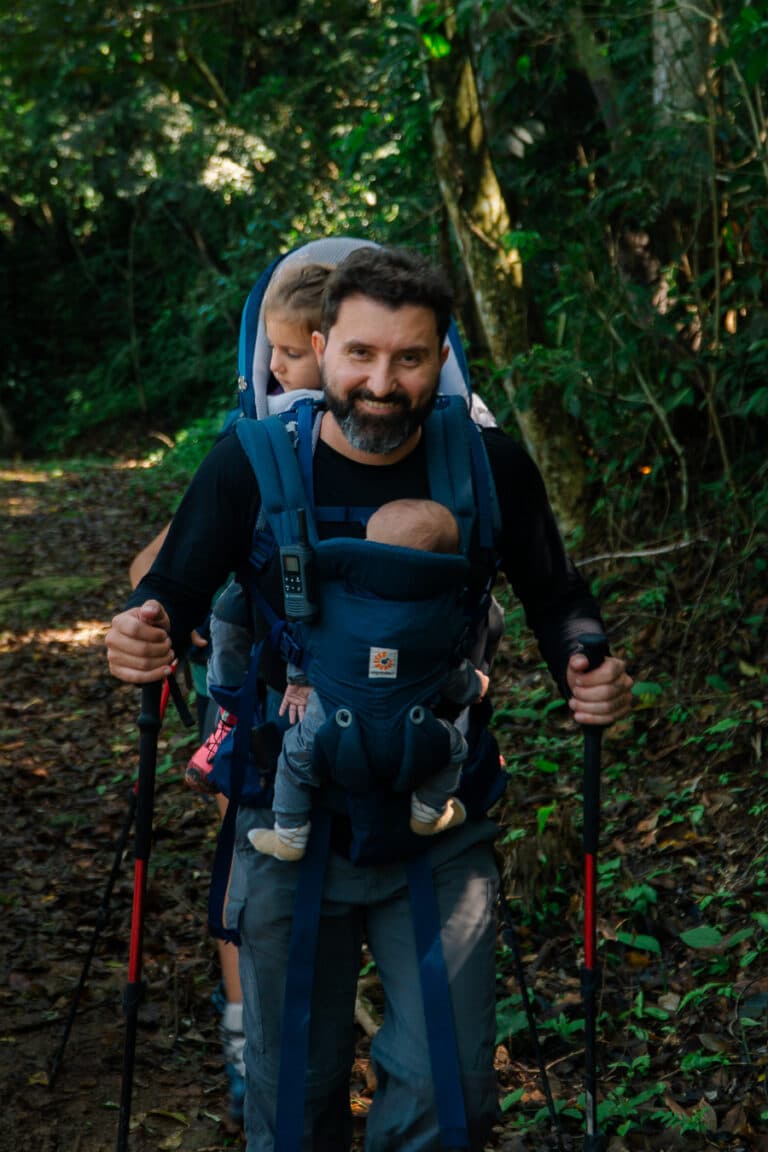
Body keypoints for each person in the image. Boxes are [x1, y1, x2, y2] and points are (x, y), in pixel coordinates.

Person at [106, 245, 633, 1151]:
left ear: (442, 360)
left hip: (441, 822)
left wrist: (588, 660)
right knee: (291, 1101)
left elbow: (558, 600)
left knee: (448, 1096)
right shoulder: (252, 464)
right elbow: (168, 599)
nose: (383, 382)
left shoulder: (489, 467)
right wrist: (136, 633)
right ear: (321, 347)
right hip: (287, 815)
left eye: (410, 358)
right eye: (361, 355)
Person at [249, 497, 489, 862]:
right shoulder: (444, 617)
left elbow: (304, 642)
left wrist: (298, 680)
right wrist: (476, 687)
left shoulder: (335, 596)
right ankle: (429, 811)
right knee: (455, 748)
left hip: (329, 724)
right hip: (410, 736)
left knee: (293, 759)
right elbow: (452, 674)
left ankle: (290, 834)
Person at [184, 261, 331, 793]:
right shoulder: (261, 425)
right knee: (225, 616)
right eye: (272, 354)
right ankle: (228, 713)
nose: (277, 369)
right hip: (269, 566)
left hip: (314, 578)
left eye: (290, 356)